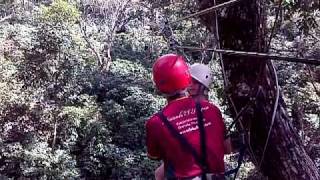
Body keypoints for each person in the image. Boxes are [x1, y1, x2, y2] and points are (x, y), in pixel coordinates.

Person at [146, 54, 228, 179]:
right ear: (187, 78)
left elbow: (155, 155)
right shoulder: (212, 110)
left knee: (159, 175)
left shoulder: (155, 123)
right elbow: (227, 148)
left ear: (158, 86)